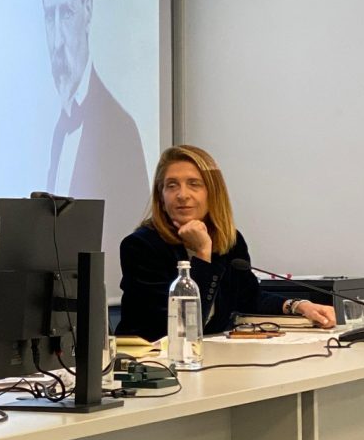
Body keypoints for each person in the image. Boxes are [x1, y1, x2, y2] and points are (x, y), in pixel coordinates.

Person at [116, 144, 336, 340]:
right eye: (172, 186)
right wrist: (203, 254)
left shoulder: (230, 240)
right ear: (161, 198)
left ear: (213, 194)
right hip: (150, 363)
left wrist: (299, 306)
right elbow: (180, 325)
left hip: (209, 356)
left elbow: (248, 297)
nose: (182, 195)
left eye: (194, 184)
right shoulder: (141, 246)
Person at [38, 0, 149, 247]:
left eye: (67, 12)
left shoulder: (122, 132)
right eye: (49, 15)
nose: (57, 41)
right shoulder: (57, 126)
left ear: (88, 8)